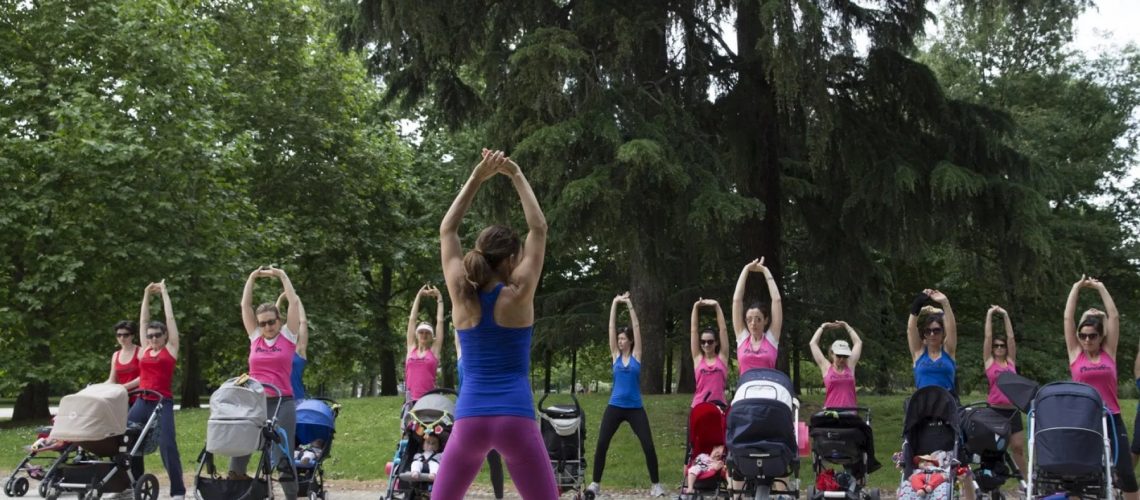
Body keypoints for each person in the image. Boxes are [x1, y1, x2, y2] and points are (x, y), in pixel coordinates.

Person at [433, 148, 557, 499]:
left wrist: (477, 177)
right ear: (513, 259)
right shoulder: (519, 296)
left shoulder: (462, 296)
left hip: (470, 417)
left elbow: (447, 229)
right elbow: (539, 227)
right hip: (515, 417)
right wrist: (515, 174)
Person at [232, 266, 303, 500]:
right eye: (262, 323)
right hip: (255, 401)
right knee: (240, 448)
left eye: (271, 322)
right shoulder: (255, 338)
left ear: (278, 320)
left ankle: (291, 495)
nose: (267, 327)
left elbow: (293, 304)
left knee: (283, 455)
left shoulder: (288, 336)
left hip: (282, 401)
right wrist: (251, 277)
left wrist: (282, 276)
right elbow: (245, 306)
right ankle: (238, 490)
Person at [1064, 276, 1138, 499]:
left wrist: (1100, 287)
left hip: (1112, 417)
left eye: (1092, 336)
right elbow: (1068, 317)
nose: (1087, 340)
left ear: (1100, 336)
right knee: (1078, 474)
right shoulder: (1076, 354)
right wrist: (1076, 287)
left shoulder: (1109, 353)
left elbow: (1114, 316)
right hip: (1085, 418)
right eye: (1083, 336)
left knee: (1125, 472)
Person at [587, 292, 665, 498]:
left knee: (648, 445)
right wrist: (614, 303)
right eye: (619, 339)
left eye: (623, 339)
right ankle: (595, 483)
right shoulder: (614, 356)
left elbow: (637, 328)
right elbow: (611, 328)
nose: (620, 342)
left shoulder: (637, 355)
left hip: (635, 408)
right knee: (602, 443)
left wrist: (629, 302)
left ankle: (656, 485)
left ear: (630, 341)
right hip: (615, 406)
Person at [907, 289, 973, 499]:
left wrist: (944, 302)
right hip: (923, 409)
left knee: (960, 457)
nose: (933, 334)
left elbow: (952, 326)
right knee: (918, 451)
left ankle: (966, 491)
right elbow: (910, 328)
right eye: (928, 331)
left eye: (937, 331)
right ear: (924, 335)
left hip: (948, 407)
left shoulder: (948, 352)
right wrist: (917, 305)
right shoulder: (919, 354)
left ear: (942, 334)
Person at [129, 282, 185, 500]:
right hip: (142, 401)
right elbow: (142, 321)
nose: (153, 339)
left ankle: (178, 491)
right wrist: (145, 294)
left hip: (162, 402)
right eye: (150, 336)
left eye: (157, 335)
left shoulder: (170, 350)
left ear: (164, 336)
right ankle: (136, 483)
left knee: (167, 445)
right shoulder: (144, 351)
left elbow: (170, 319)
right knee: (126, 439)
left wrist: (164, 293)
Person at [455, 328, 505, 500]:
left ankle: (499, 497)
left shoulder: (484, 354)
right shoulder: (461, 353)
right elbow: (459, 327)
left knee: (494, 459)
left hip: (487, 410)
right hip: (465, 414)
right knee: (460, 459)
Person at [981, 305, 1026, 477]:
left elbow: (1011, 337)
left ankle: (1026, 482)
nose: (1000, 348)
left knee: (1017, 447)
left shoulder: (1010, 362)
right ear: (992, 348)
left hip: (1012, 411)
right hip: (995, 410)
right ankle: (992, 480)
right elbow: (987, 337)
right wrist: (990, 314)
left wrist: (1006, 315)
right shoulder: (989, 362)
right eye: (996, 346)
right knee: (994, 449)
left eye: (1002, 346)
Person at [732, 258, 782, 374]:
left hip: (768, 390)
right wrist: (746, 269)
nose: (753, 323)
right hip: (746, 390)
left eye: (758, 319)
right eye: (749, 320)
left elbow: (777, 300)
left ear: (766, 320)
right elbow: (736, 301)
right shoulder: (742, 338)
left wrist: (765, 271)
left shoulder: (771, 339)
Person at [808, 321, 862, 409]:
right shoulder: (826, 367)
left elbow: (858, 343)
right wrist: (822, 327)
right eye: (839, 355)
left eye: (845, 356)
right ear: (832, 354)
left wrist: (847, 326)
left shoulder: (850, 365)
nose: (842, 359)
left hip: (850, 414)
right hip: (831, 414)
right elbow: (812, 343)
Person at [405, 284, 445, 403]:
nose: (424, 334)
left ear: (432, 337)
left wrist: (440, 298)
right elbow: (412, 319)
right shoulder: (411, 348)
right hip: (410, 400)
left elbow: (440, 321)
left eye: (427, 332)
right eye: (421, 332)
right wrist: (418, 296)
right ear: (416, 335)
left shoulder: (434, 352)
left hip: (429, 400)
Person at [690, 298, 729, 407]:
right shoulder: (698, 358)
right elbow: (694, 330)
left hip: (719, 406)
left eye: (710, 341)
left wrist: (716, 306)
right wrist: (695, 307)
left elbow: (723, 330)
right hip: (699, 406)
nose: (706, 344)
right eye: (703, 342)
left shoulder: (722, 358)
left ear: (716, 342)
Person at [275, 292, 310, 400]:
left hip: (297, 398)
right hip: (277, 397)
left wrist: (297, 301)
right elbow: (273, 321)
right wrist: (280, 299)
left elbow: (303, 322)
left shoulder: (299, 350)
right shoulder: (275, 349)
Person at [105, 320, 140, 405]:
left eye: (126, 335)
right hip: (122, 397)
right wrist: (97, 388)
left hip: (139, 397)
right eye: (119, 335)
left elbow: (144, 377)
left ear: (132, 336)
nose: (122, 338)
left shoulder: (141, 351)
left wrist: (123, 387)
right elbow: (112, 380)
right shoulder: (115, 355)